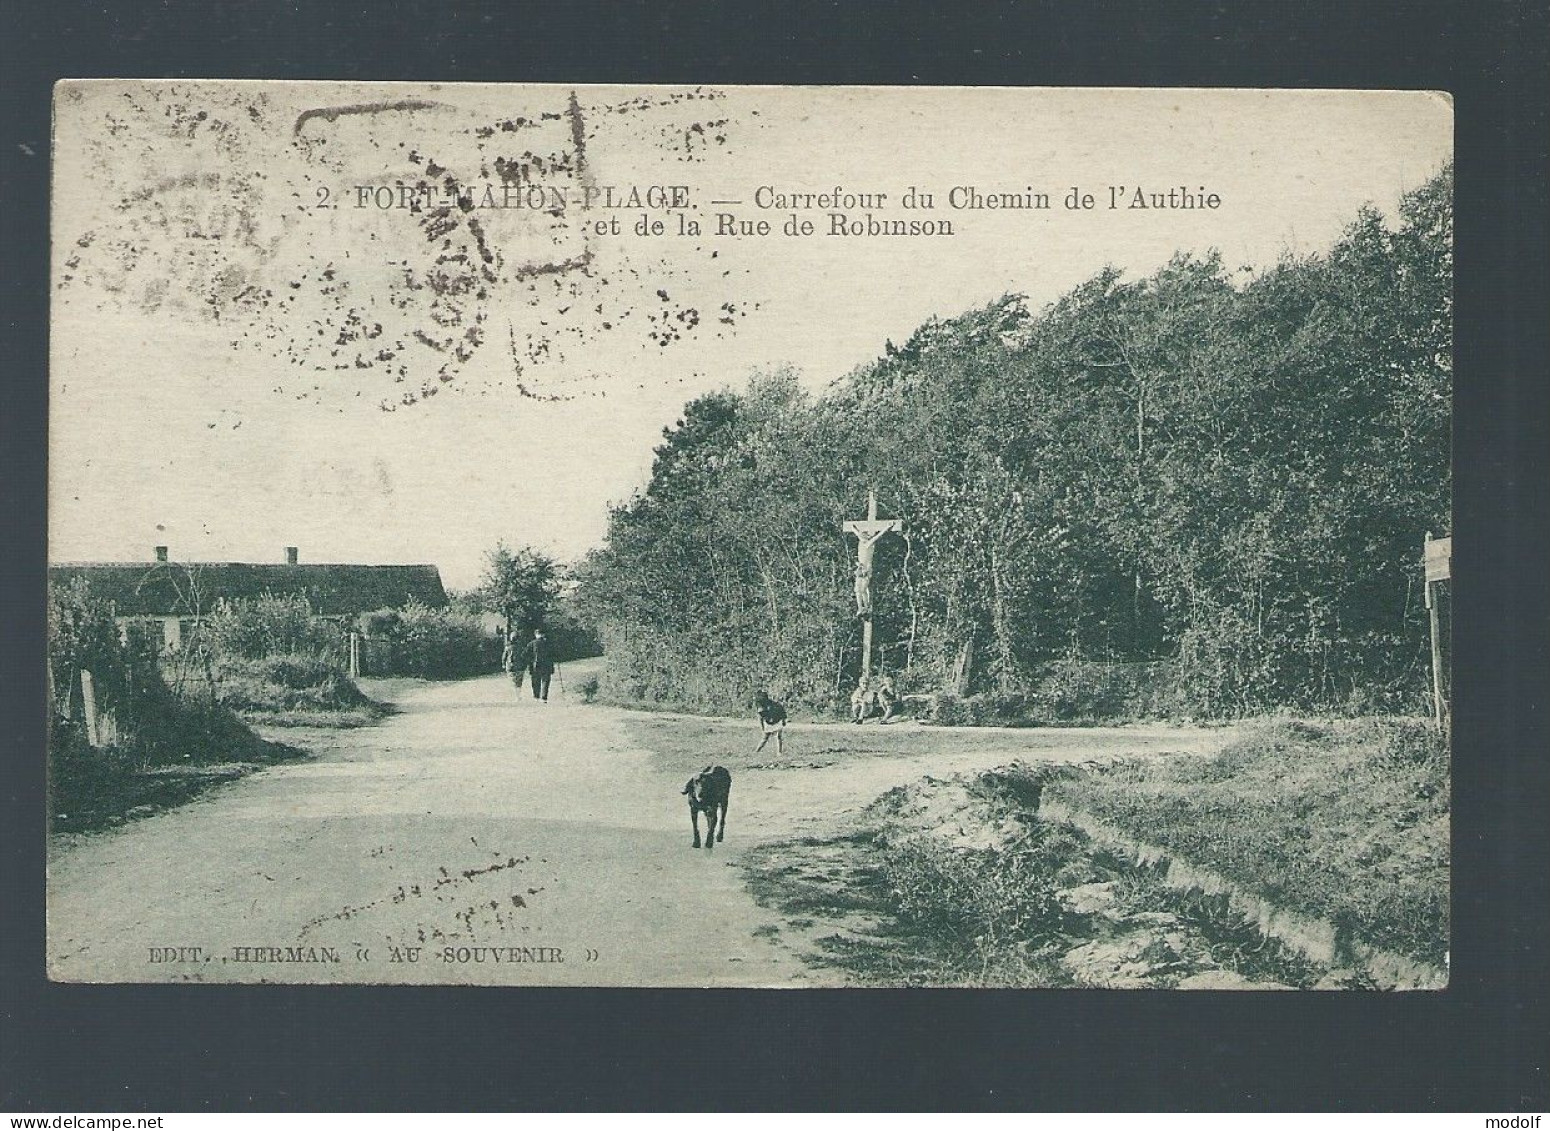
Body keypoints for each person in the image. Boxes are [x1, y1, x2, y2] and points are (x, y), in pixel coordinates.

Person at [523, 629, 556, 702]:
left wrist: (530, 661)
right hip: (547, 665)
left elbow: (524, 654)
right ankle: (544, 697)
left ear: (535, 635)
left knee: (536, 681)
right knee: (545, 681)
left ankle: (536, 696)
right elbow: (554, 655)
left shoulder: (531, 643)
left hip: (535, 665)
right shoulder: (548, 644)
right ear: (543, 635)